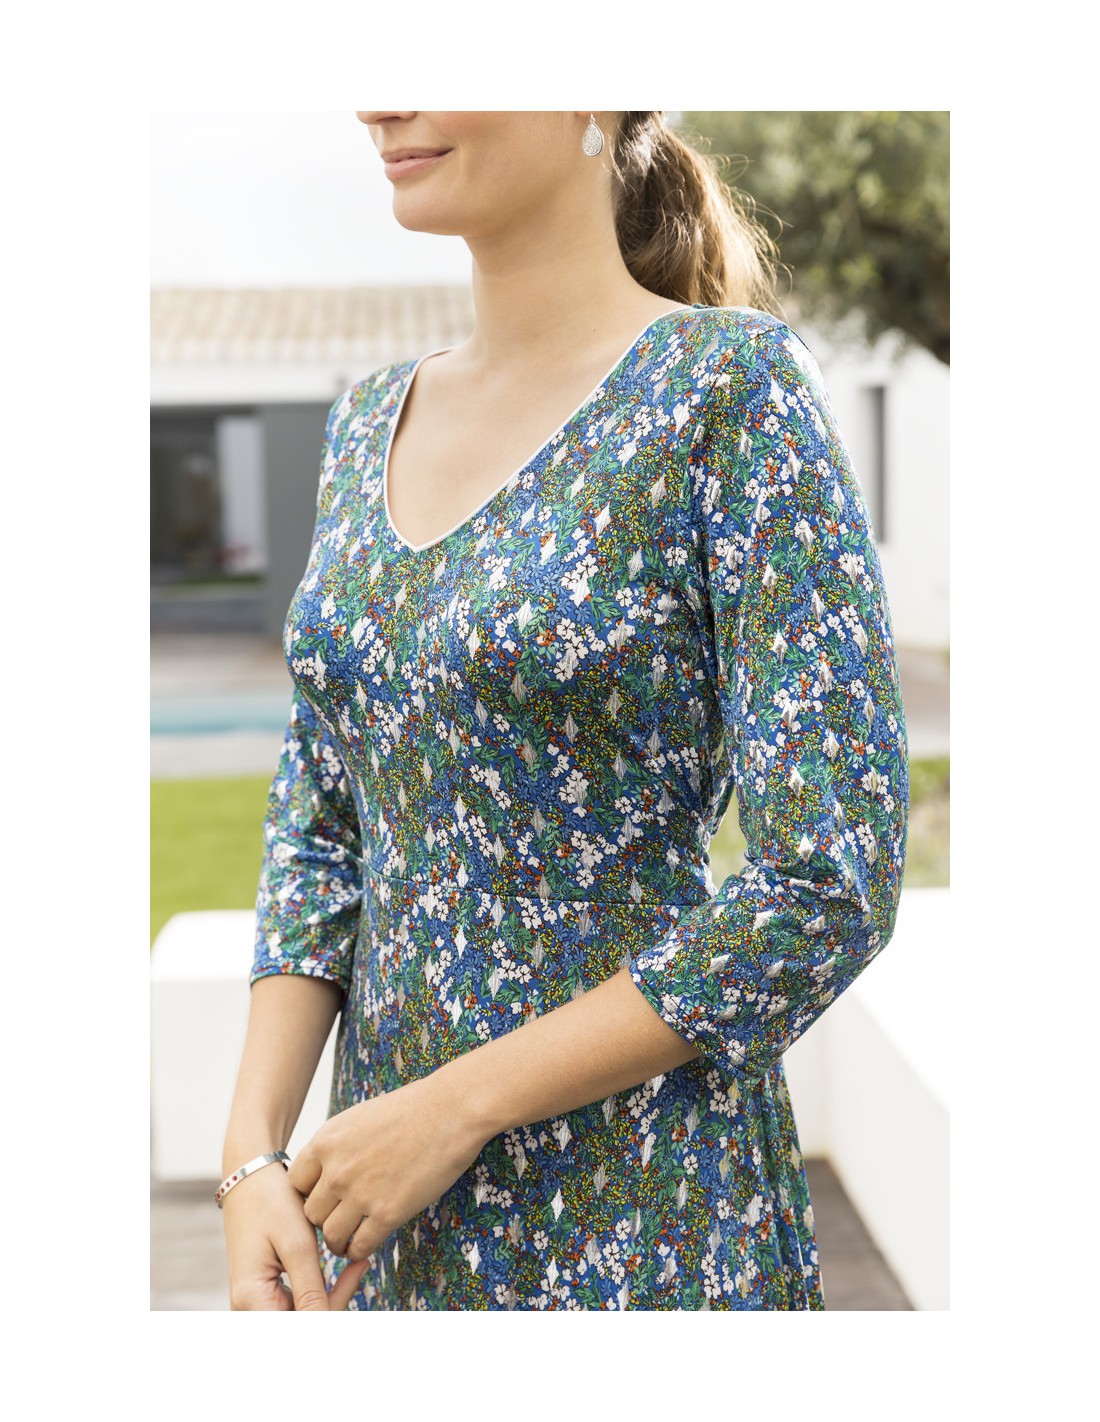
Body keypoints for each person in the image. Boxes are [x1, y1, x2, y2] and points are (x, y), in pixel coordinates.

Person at [219, 110, 909, 1311]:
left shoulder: (726, 392)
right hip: (382, 1210)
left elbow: (826, 881)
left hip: (644, 1207)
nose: (381, 99)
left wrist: (454, 1109)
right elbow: (323, 830)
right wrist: (250, 1159)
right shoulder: (364, 423)